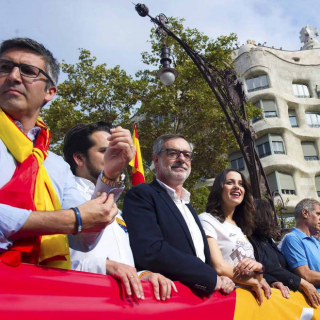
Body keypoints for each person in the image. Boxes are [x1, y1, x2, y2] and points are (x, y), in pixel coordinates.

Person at [0, 38, 128, 269]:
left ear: (50, 92)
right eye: (4, 67)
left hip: (36, 292)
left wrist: (111, 171)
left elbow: (83, 237)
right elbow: (77, 220)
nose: (13, 77)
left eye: (28, 71)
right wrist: (70, 219)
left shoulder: (55, 165)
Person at [64, 122, 176, 301]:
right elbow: (52, 260)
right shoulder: (59, 196)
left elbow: (123, 263)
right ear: (79, 158)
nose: (111, 155)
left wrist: (142, 275)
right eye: (103, 151)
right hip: (81, 302)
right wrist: (105, 266)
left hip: (123, 305)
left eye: (113, 150)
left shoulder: (117, 209)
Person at [123, 134, 235, 296]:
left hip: (203, 300)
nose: (181, 159)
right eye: (173, 153)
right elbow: (150, 250)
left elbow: (201, 256)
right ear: (156, 160)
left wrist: (220, 278)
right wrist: (210, 277)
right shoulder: (141, 195)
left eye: (187, 155)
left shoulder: (188, 207)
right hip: (167, 300)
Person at [199, 169, 271, 304]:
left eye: (241, 184)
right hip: (228, 300)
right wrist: (254, 281)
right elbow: (219, 266)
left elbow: (259, 278)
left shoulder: (240, 228)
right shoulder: (206, 220)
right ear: (219, 189)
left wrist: (259, 269)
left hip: (253, 300)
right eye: (230, 183)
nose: (237, 187)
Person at [248, 199, 320, 307]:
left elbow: (281, 266)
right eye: (270, 214)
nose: (273, 218)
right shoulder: (251, 240)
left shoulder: (267, 240)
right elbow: (268, 267)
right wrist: (300, 282)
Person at [281, 198, 320, 299]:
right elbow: (305, 275)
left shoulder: (316, 242)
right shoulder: (293, 239)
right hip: (315, 303)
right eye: (318, 213)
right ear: (305, 213)